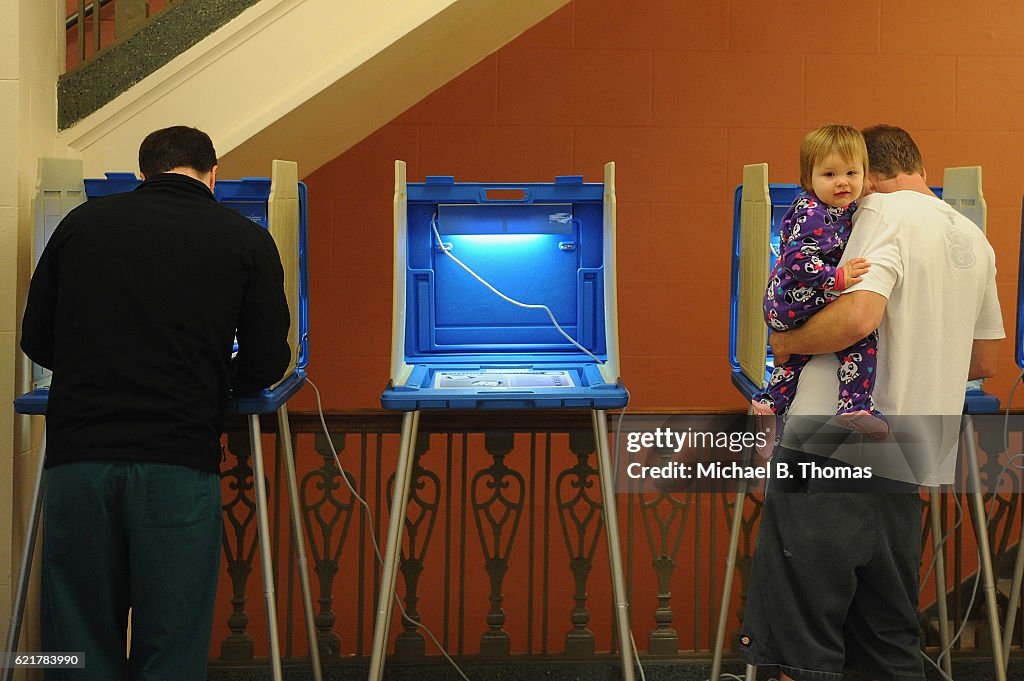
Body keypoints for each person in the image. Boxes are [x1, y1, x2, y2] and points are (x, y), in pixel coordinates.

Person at [20, 126, 291, 680]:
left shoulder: (80, 224)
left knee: (74, 637)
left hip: (80, 461)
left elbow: (35, 338)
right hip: (177, 462)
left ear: (142, 173)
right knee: (171, 639)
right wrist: (212, 379)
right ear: (212, 174)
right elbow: (267, 360)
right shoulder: (244, 237)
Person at [739, 124, 1004, 681]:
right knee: (886, 635)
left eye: (850, 175)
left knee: (803, 636)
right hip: (912, 452)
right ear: (919, 167)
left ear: (872, 174)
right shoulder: (972, 235)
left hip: (831, 444)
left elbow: (859, 316)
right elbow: (983, 363)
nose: (845, 188)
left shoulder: (879, 214)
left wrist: (784, 342)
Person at [751, 124, 885, 456]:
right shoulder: (811, 212)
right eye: (830, 174)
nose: (843, 181)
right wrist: (836, 279)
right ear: (808, 179)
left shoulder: (844, 207)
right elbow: (798, 258)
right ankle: (854, 406)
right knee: (860, 339)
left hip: (790, 302)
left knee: (795, 360)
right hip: (794, 298)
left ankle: (768, 405)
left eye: (852, 172)